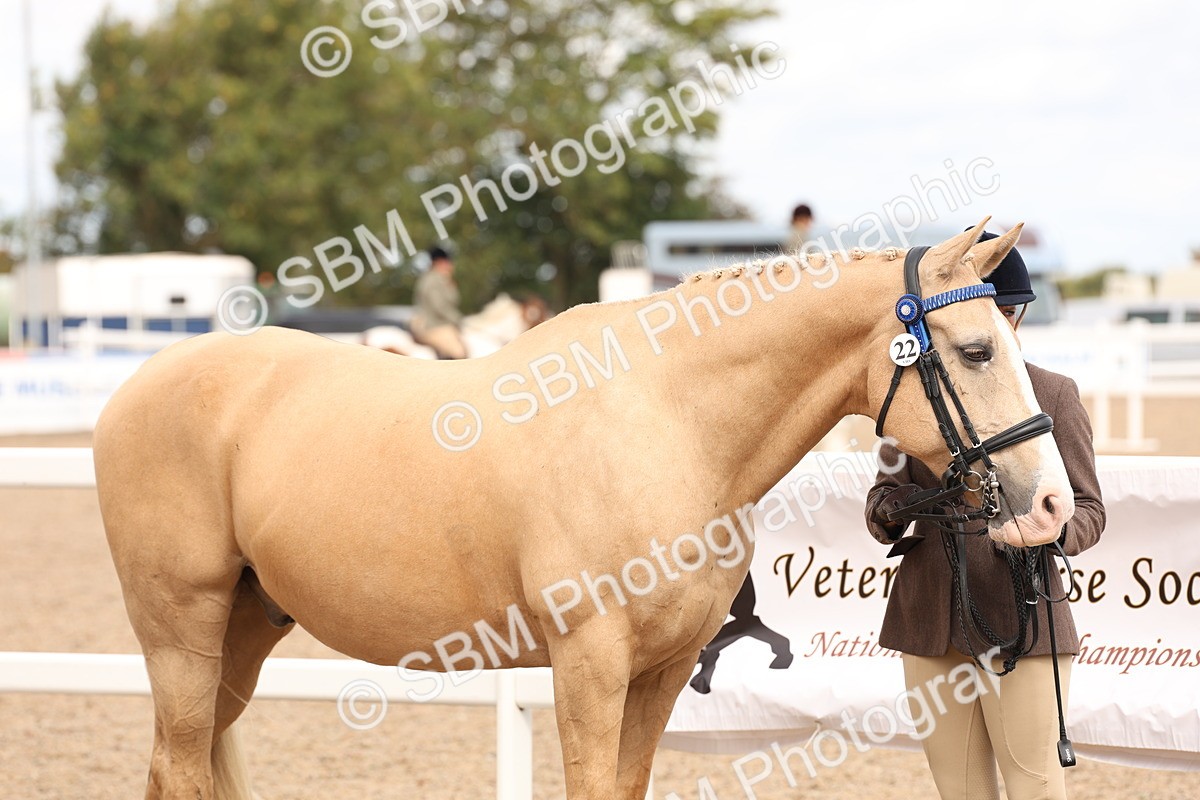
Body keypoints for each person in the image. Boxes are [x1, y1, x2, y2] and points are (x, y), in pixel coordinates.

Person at [864, 232, 1106, 800]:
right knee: (960, 790)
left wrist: (1053, 531)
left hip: (1019, 615)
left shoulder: (1055, 393)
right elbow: (881, 506)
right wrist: (901, 508)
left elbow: (1089, 508)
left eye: (1000, 310)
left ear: (1014, 314)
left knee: (1035, 785)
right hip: (928, 619)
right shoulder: (916, 395)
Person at [411, 246, 467, 359]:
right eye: (448, 262)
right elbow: (440, 307)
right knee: (459, 352)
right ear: (440, 262)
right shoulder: (433, 280)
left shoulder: (440, 279)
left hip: (440, 325)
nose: (451, 265)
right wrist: (459, 320)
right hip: (433, 327)